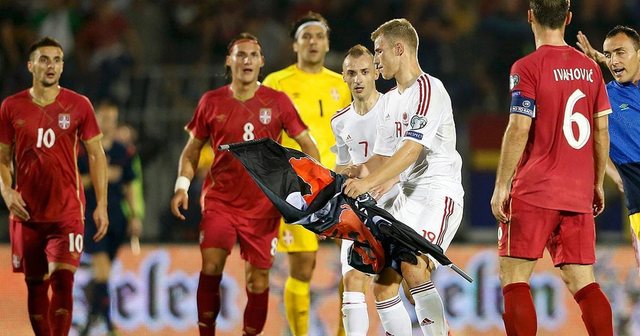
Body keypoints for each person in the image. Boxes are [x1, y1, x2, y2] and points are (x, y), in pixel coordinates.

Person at [170, 32, 319, 336]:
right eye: (240, 54)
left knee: (258, 281)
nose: (247, 60)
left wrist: (311, 184)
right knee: (211, 266)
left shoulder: (277, 102)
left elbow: (308, 144)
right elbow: (192, 150)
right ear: (229, 61)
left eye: (253, 55)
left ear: (261, 62)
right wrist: (182, 185)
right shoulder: (211, 102)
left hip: (263, 205)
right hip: (220, 201)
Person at [489, 1, 614, 335]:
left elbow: (518, 127)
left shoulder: (526, 67)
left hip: (535, 189)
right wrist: (597, 182)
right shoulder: (590, 69)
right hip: (577, 192)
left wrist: (501, 186)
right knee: (583, 282)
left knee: (514, 277)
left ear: (530, 16)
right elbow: (601, 130)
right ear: (569, 18)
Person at [343, 18, 464, 336]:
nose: (376, 59)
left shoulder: (428, 89)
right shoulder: (390, 101)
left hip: (438, 192)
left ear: (400, 49)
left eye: (379, 51)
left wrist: (367, 184)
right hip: (407, 194)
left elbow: (411, 150)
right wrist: (353, 172)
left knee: (413, 265)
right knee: (382, 287)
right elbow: (383, 156)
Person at [0, 36, 108, 336]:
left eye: (57, 60)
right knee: (36, 286)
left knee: (64, 281)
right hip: (26, 213)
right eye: (45, 59)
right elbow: (1, 158)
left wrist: (101, 204)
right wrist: (6, 191)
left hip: (67, 212)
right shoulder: (11, 107)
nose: (52, 65)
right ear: (30, 65)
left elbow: (97, 154)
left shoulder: (79, 105)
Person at [262, 11, 350, 336]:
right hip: (296, 186)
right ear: (295, 43)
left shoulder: (341, 83)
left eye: (319, 36)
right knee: (302, 267)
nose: (313, 42)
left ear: (327, 43)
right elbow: (265, 136)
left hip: (337, 184)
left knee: (350, 266)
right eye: (306, 36)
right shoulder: (276, 83)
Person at [331, 44, 399, 336]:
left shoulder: (393, 108)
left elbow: (408, 157)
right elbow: (343, 165)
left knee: (394, 288)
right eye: (351, 73)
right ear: (343, 77)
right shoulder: (339, 121)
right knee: (352, 281)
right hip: (360, 211)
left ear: (375, 74)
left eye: (364, 72)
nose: (358, 79)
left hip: (397, 207)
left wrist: (385, 180)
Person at [576, 26, 640, 274]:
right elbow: (593, 141)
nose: (614, 61)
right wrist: (613, 175)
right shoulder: (603, 96)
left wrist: (600, 59)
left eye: (620, 53)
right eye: (609, 54)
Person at [77, 101, 142, 336]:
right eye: (104, 118)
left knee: (103, 274)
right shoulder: (83, 150)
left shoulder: (122, 151)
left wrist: (135, 216)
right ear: (95, 119)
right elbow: (74, 182)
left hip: (117, 217)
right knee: (102, 270)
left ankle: (90, 320)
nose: (109, 123)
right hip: (92, 216)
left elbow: (129, 186)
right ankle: (108, 325)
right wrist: (99, 175)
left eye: (113, 119)